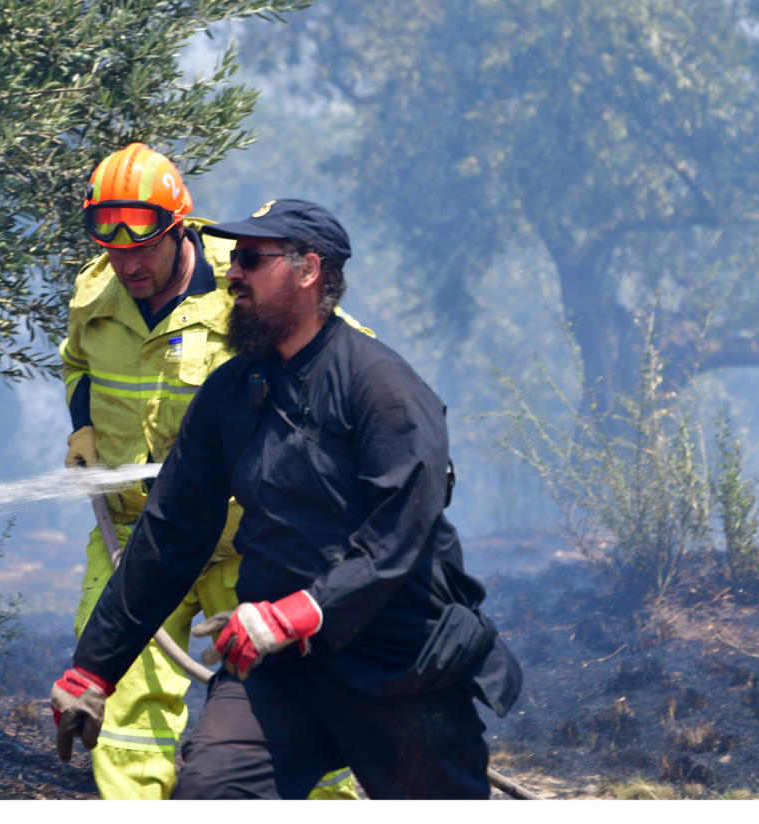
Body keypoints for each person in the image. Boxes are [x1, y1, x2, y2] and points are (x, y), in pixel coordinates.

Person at [52, 198, 522, 799]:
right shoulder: (229, 393)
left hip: (401, 665)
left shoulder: (382, 387)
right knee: (210, 795)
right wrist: (93, 667)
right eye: (233, 259)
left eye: (250, 259)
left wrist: (299, 612)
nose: (231, 273)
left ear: (309, 271)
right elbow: (169, 536)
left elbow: (397, 535)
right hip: (279, 670)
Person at [57, 147, 358, 800]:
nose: (128, 262)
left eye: (144, 245)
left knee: (287, 704)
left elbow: (343, 358)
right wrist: (82, 424)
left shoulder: (248, 285)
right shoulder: (94, 294)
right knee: (116, 708)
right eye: (112, 246)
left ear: (179, 229)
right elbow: (78, 361)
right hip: (140, 537)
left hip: (248, 542)